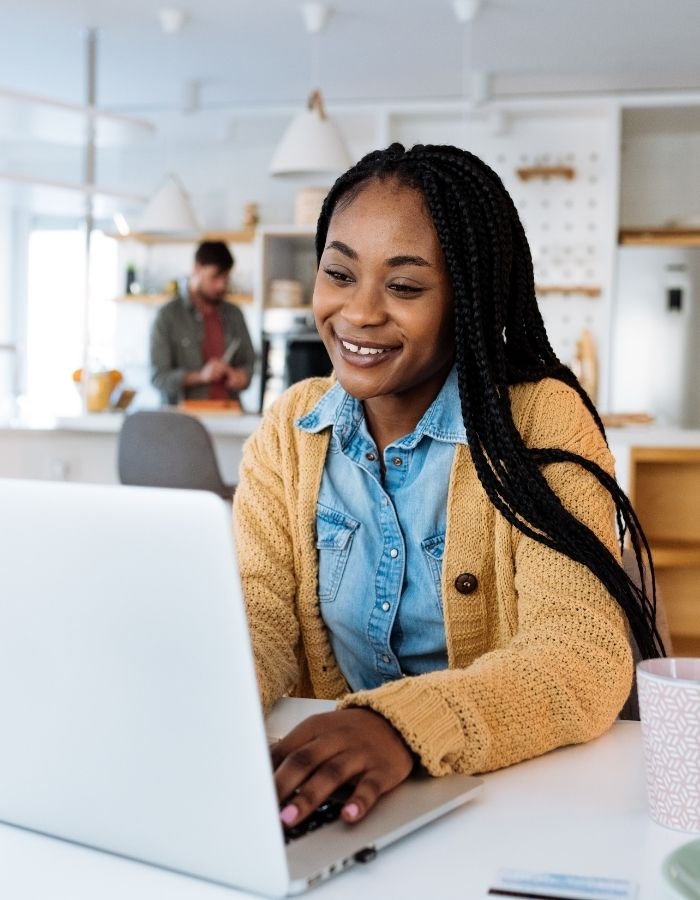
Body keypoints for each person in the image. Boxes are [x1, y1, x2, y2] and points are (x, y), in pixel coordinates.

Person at [232, 143, 663, 832]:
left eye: (404, 287)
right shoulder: (291, 428)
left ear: (468, 298)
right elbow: (259, 617)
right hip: (334, 800)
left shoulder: (540, 418)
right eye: (339, 273)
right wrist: (204, 708)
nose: (359, 313)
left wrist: (399, 727)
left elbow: (581, 653)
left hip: (501, 800)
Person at [150, 240, 255, 406]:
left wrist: (241, 376)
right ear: (197, 269)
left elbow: (249, 365)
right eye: (214, 277)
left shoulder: (235, 314)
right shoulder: (168, 316)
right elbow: (159, 378)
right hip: (183, 419)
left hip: (230, 414)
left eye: (225, 279)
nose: (221, 285)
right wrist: (201, 375)